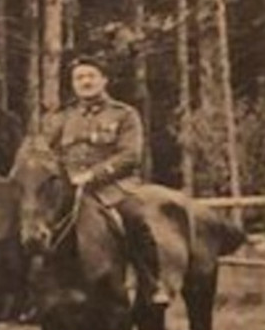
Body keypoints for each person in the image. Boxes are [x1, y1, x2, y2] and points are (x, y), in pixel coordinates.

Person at [43, 56, 175, 306]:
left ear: (104, 80)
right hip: (70, 186)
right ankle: (42, 291)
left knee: (134, 218)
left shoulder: (124, 114)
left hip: (114, 186)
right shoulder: (62, 118)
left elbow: (130, 155)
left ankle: (151, 282)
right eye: (79, 78)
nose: (85, 82)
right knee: (42, 224)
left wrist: (93, 175)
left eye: (91, 76)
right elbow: (47, 151)